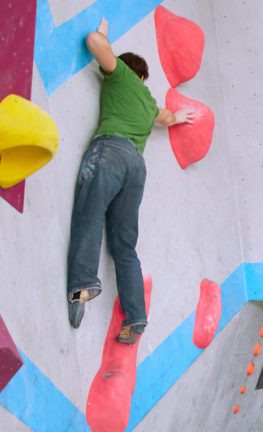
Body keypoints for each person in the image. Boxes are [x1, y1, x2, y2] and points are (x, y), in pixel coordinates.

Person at [67, 19, 194, 344]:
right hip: (136, 168)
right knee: (124, 247)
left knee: (89, 217)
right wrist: (179, 117)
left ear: (125, 69)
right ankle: (136, 318)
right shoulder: (149, 103)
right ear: (143, 77)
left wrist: (105, 38)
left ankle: (83, 285)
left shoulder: (119, 75)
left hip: (109, 151)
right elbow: (166, 118)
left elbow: (94, 41)